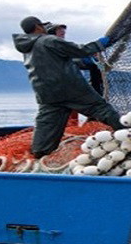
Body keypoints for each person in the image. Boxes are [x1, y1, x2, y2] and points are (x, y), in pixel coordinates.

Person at [14, 16, 123, 158]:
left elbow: (60, 61)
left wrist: (85, 62)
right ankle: (128, 131)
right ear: (38, 26)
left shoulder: (27, 48)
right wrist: (101, 44)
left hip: (46, 94)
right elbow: (82, 50)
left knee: (46, 125)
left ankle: (39, 154)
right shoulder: (49, 40)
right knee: (100, 108)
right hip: (71, 89)